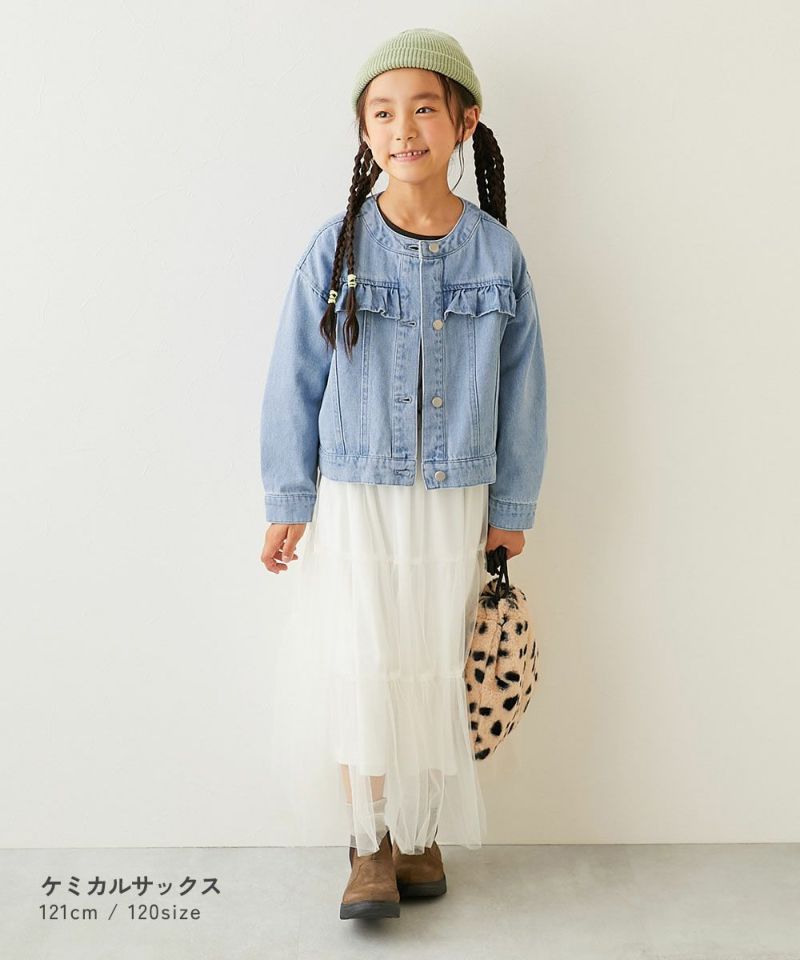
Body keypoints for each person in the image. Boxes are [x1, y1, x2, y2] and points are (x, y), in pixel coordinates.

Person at [259, 27, 548, 920]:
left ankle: (420, 833)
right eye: (381, 113)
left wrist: (512, 504)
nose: (402, 128)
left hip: (455, 497)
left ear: (465, 122)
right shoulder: (336, 248)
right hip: (358, 495)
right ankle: (369, 841)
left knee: (432, 662)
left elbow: (525, 386)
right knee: (367, 661)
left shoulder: (497, 255)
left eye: (423, 108)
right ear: (364, 131)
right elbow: (294, 376)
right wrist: (288, 497)